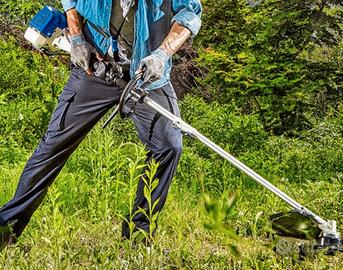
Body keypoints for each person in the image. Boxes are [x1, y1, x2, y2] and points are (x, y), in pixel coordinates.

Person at [0, 0, 202, 249]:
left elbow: (190, 13)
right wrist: (76, 39)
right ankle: (6, 229)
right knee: (53, 145)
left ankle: (138, 238)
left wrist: (161, 55)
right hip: (94, 68)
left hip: (146, 76)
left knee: (169, 145)